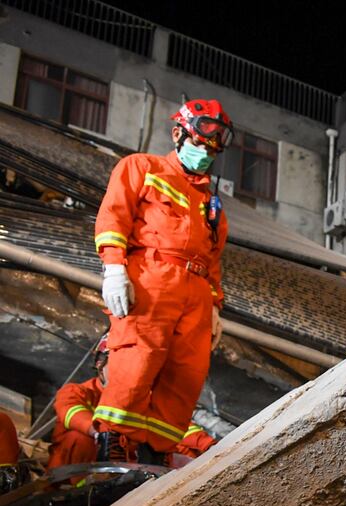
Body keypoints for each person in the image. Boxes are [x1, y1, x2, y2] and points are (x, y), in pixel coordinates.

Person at [93, 99, 231, 465]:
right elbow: (114, 215)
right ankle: (114, 451)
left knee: (185, 376)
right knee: (137, 361)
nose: (204, 153)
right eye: (199, 144)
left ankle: (156, 455)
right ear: (178, 134)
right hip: (152, 278)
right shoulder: (141, 167)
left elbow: (213, 259)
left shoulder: (211, 206)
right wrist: (114, 269)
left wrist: (215, 307)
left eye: (211, 149)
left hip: (197, 292)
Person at [49, 336, 215, 470]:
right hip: (78, 474)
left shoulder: (140, 398)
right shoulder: (78, 391)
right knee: (80, 438)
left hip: (125, 469)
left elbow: (172, 427)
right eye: (121, 362)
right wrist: (101, 433)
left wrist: (208, 446)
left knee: (174, 447)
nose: (128, 370)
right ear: (100, 365)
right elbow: (70, 412)